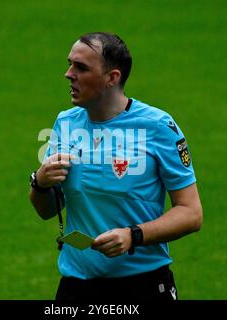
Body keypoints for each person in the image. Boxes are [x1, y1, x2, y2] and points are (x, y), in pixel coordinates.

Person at [29, 32, 203, 301]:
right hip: (77, 286)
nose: (68, 74)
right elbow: (47, 210)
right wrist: (40, 183)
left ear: (112, 78)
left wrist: (134, 236)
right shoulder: (65, 123)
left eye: (81, 67)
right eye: (69, 64)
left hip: (142, 286)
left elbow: (191, 213)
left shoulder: (158, 126)